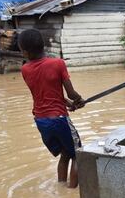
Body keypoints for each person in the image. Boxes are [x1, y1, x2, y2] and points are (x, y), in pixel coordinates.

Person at [18, 29, 85, 188]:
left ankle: (61, 188)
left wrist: (67, 102)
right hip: (59, 119)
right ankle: (71, 191)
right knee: (78, 155)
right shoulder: (58, 63)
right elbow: (71, 92)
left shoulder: (25, 70)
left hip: (41, 121)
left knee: (65, 154)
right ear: (43, 45)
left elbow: (45, 92)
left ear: (26, 52)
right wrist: (78, 100)